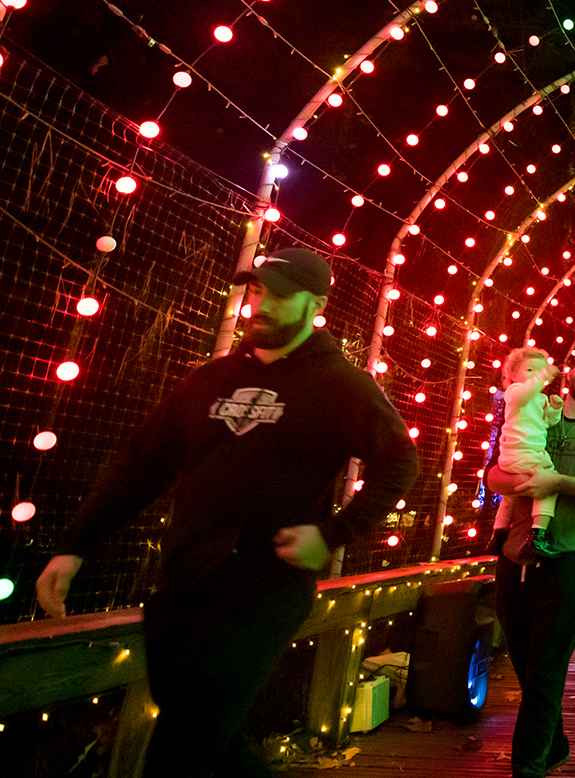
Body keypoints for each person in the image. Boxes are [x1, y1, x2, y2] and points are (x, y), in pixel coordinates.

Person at [34, 248, 419, 777]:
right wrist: (75, 546)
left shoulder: (341, 385)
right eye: (257, 290)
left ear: (316, 303)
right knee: (210, 744)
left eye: (279, 294)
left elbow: (400, 460)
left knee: (181, 747)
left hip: (263, 589)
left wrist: (334, 532)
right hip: (181, 584)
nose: (259, 305)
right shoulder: (208, 380)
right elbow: (141, 466)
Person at [486, 347, 575, 778]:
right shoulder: (529, 406)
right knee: (525, 665)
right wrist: (515, 480)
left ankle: (526, 768)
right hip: (515, 556)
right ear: (567, 372)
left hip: (570, 557)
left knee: (546, 669)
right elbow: (491, 473)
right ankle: (554, 746)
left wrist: (557, 482)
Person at [492, 346, 561, 559]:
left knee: (509, 496)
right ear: (512, 374)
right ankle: (538, 534)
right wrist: (542, 375)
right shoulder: (514, 392)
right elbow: (522, 395)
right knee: (549, 484)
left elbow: (547, 423)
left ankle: (499, 533)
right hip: (522, 453)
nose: (535, 376)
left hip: (519, 456)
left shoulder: (539, 399)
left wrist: (555, 409)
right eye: (530, 370)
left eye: (539, 371)